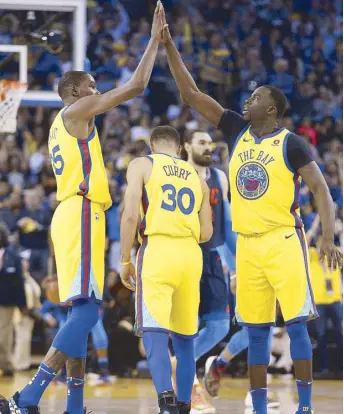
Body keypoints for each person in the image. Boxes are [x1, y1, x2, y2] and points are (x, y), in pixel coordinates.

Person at [160, 8, 342, 414]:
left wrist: (328, 236)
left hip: (283, 240)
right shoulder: (236, 132)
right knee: (255, 333)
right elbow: (191, 95)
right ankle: (259, 409)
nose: (248, 98)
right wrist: (169, 45)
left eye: (256, 96)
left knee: (296, 326)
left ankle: (306, 407)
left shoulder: (292, 143)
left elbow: (322, 191)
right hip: (248, 246)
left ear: (272, 109)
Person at [0, 3, 165, 413]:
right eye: (92, 85)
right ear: (76, 91)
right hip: (82, 212)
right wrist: (153, 42)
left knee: (79, 310)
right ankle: (30, 396)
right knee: (90, 312)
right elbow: (136, 86)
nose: (97, 91)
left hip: (70, 214)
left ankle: (75, 405)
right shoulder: (76, 111)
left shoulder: (63, 124)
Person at [120, 126, 213, 414]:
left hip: (158, 250)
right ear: (180, 148)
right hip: (190, 254)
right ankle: (184, 405)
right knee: (186, 337)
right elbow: (207, 232)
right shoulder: (198, 177)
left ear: (152, 145)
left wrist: (125, 259)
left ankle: (166, 402)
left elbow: (131, 214)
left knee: (154, 332)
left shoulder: (142, 164)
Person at [174, 129, 235, 414]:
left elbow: (227, 224)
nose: (208, 146)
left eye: (210, 142)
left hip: (212, 256)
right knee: (186, 326)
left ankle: (180, 366)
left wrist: (236, 264)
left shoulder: (219, 177)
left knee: (220, 325)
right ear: (186, 146)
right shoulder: (176, 173)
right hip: (184, 254)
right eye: (201, 142)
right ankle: (189, 387)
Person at [0, 223, 27, 378]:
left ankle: (6, 365)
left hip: (6, 302)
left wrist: (22, 304)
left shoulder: (12, 255)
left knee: (4, 335)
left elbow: (19, 281)